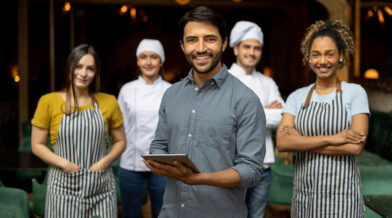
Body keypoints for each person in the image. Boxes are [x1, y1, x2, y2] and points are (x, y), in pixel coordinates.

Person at [144, 6, 266, 218]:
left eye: (210, 39)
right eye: (192, 40)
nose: (200, 48)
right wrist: (160, 162)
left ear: (224, 42)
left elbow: (251, 170)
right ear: (182, 46)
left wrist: (196, 178)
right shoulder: (171, 95)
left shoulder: (246, 100)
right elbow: (159, 145)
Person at [277, 20, 369, 217]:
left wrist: (300, 141)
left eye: (330, 54)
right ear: (309, 58)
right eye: (316, 55)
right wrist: (332, 139)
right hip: (305, 195)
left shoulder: (355, 93)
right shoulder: (297, 97)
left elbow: (355, 147)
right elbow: (282, 142)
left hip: (343, 196)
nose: (323, 61)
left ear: (340, 56)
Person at [31, 44, 126, 218]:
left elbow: (121, 141)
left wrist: (104, 163)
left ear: (96, 73)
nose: (83, 74)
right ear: (69, 68)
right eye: (78, 66)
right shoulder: (48, 102)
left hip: (100, 187)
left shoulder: (109, 102)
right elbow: (36, 145)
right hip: (62, 187)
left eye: (90, 69)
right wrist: (64, 164)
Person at [228, 20, 284, 218]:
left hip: (263, 166)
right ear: (236, 49)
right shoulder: (223, 80)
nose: (252, 52)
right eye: (247, 47)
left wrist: (245, 113)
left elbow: (281, 118)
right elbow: (225, 119)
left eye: (257, 48)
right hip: (231, 166)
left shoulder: (268, 82)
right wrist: (264, 110)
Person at [117, 39, 171, 218]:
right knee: (131, 214)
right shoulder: (127, 90)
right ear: (138, 61)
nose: (148, 62)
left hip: (163, 164)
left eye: (153, 57)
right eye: (143, 57)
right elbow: (119, 127)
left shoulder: (172, 91)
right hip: (131, 162)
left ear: (161, 61)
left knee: (163, 213)